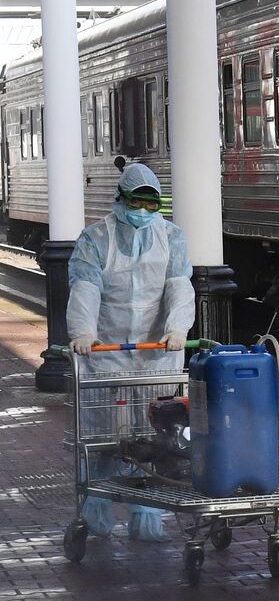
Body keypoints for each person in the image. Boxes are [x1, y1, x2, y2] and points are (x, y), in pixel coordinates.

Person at [68, 162, 195, 542]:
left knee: (152, 437)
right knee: (103, 436)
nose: (142, 211)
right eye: (135, 202)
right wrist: (84, 331)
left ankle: (147, 515)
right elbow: (86, 288)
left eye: (151, 205)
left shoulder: (171, 237)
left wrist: (177, 327)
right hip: (106, 351)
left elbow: (178, 286)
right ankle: (97, 510)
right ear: (119, 199)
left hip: (156, 352)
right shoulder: (95, 238)